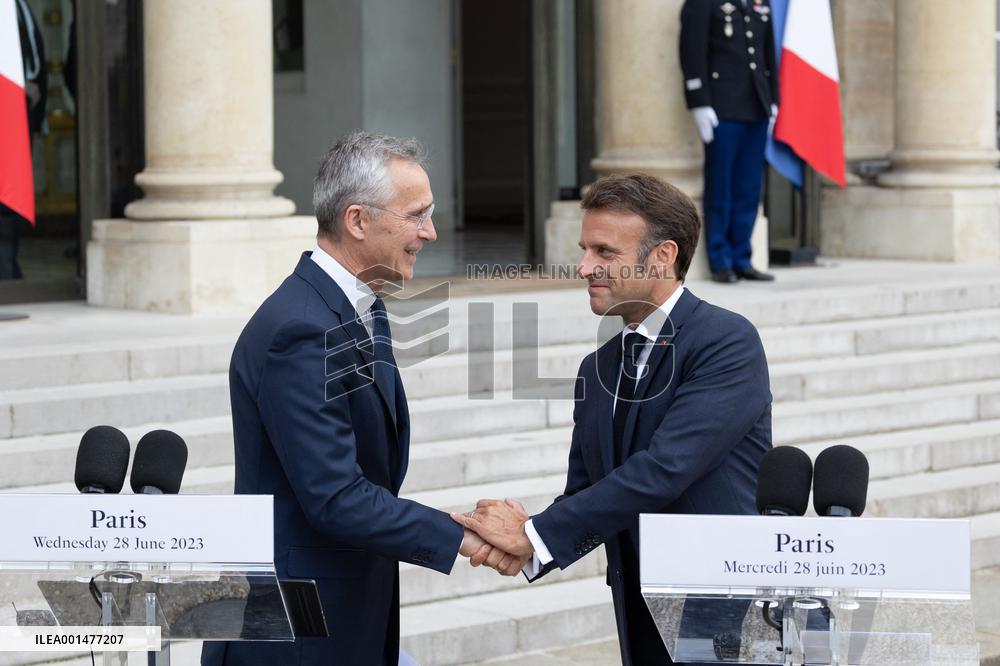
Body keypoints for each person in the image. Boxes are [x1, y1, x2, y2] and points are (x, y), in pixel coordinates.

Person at [202, 131, 518, 666]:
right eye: (417, 215)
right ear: (357, 221)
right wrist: (464, 537)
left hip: (343, 613)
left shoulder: (361, 306)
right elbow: (335, 497)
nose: (431, 232)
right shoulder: (301, 329)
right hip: (296, 628)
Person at [453, 174, 772, 665]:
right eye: (584, 250)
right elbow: (586, 490)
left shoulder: (725, 341)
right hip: (637, 609)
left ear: (662, 256)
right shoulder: (597, 367)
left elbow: (665, 468)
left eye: (604, 252)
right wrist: (527, 539)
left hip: (723, 608)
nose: (584, 267)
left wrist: (533, 535)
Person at [679, 0, 777, 283]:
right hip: (721, 107)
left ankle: (742, 257)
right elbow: (692, 49)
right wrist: (698, 101)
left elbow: (767, 54)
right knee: (721, 185)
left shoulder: (759, 2)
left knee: (749, 188)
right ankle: (720, 259)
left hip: (757, 105)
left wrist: (773, 99)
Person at [0, 0, 46, 280]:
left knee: (10, 195)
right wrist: (18, 84)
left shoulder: (17, 5)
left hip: (20, 112)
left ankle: (7, 265)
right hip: (7, 105)